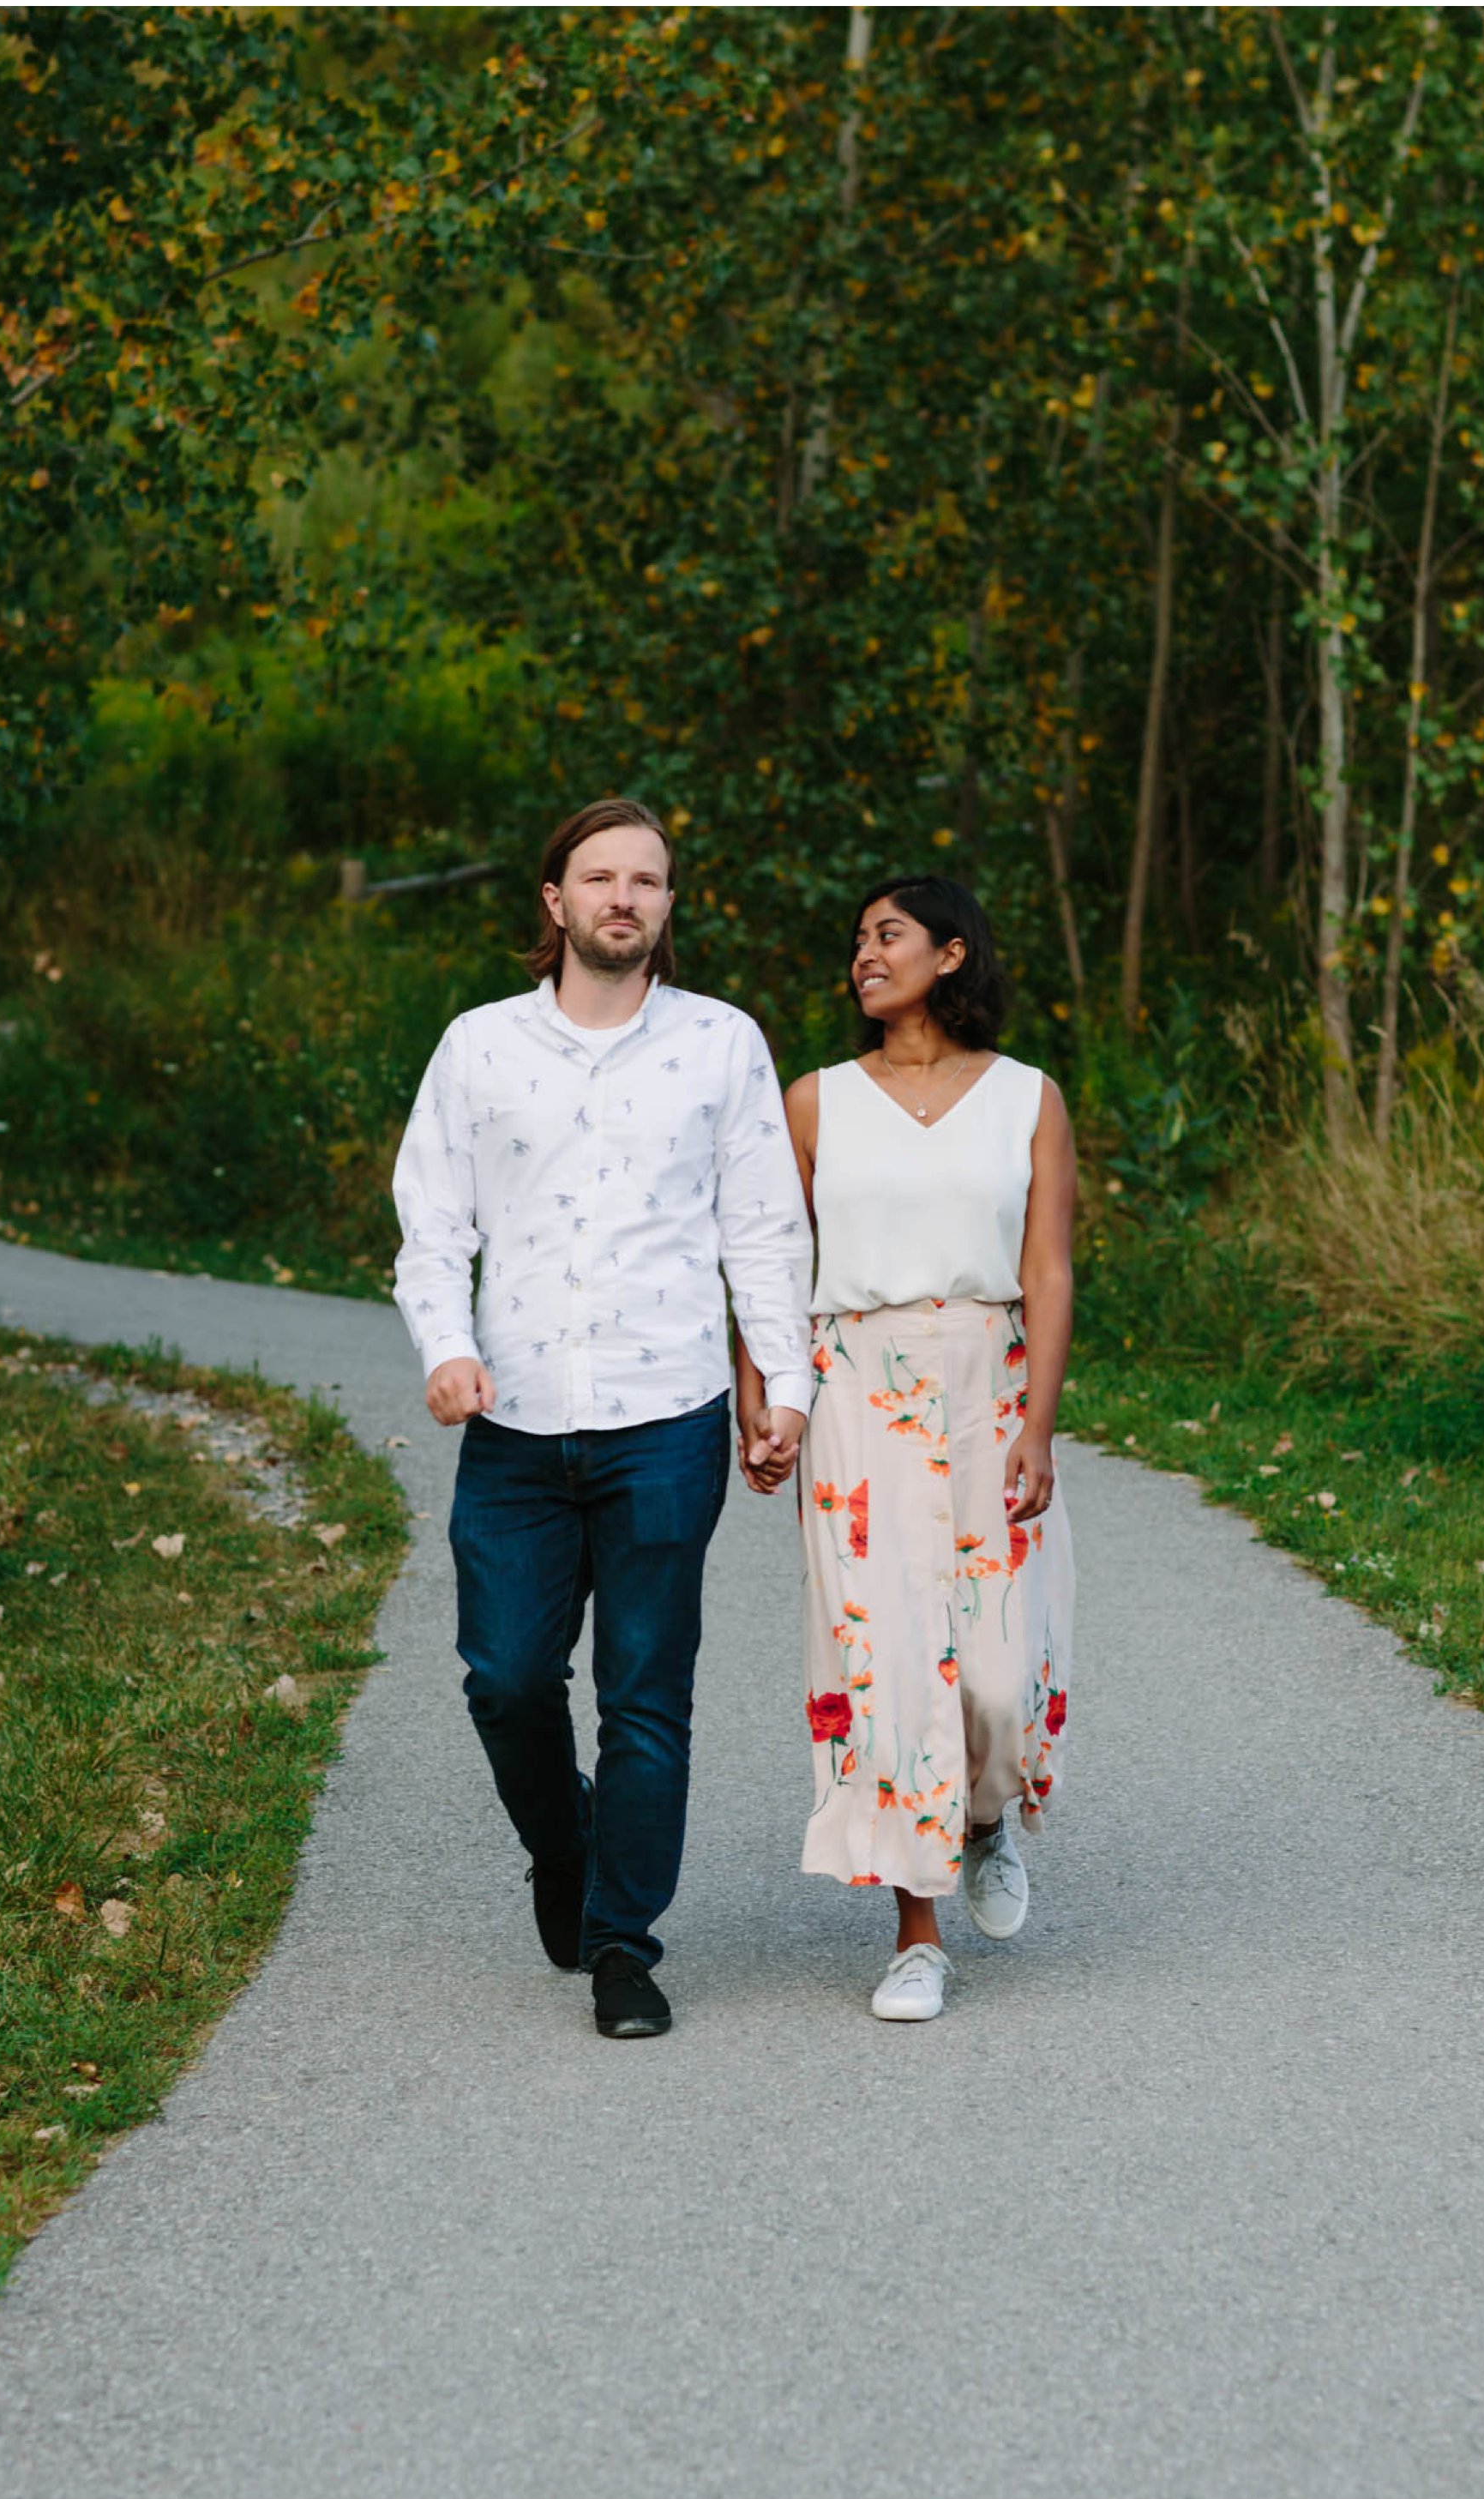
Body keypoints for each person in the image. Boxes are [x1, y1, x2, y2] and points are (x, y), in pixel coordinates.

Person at [391, 796, 813, 2039]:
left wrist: (783, 1390)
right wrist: (449, 1348)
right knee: (506, 1679)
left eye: (649, 879)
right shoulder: (478, 1047)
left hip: (667, 1417)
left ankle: (626, 1940)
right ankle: (561, 1843)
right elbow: (434, 1221)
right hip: (515, 1421)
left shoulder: (724, 1044)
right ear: (555, 901)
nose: (625, 896)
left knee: (645, 1693)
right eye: (601, 876)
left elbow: (766, 1232)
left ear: (669, 906)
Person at [736, 874, 1077, 2023]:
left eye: (888, 936)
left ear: (953, 952)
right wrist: (763, 1400)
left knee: (988, 1670)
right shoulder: (817, 1101)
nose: (863, 957)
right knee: (884, 1668)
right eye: (857, 942)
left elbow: (1049, 1270)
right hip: (855, 1399)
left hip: (988, 1385)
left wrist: (1038, 1423)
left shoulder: (1028, 1097)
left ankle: (984, 1822)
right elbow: (772, 1269)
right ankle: (915, 1932)